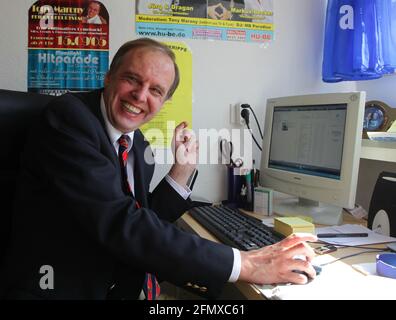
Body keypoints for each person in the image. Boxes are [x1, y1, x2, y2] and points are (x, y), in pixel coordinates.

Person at [4, 38, 317, 300]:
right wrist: (242, 263)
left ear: (164, 101)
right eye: (132, 79)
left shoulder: (136, 142)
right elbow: (119, 223)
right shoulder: (69, 119)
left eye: (156, 90)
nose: (140, 97)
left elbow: (142, 216)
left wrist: (181, 171)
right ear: (108, 77)